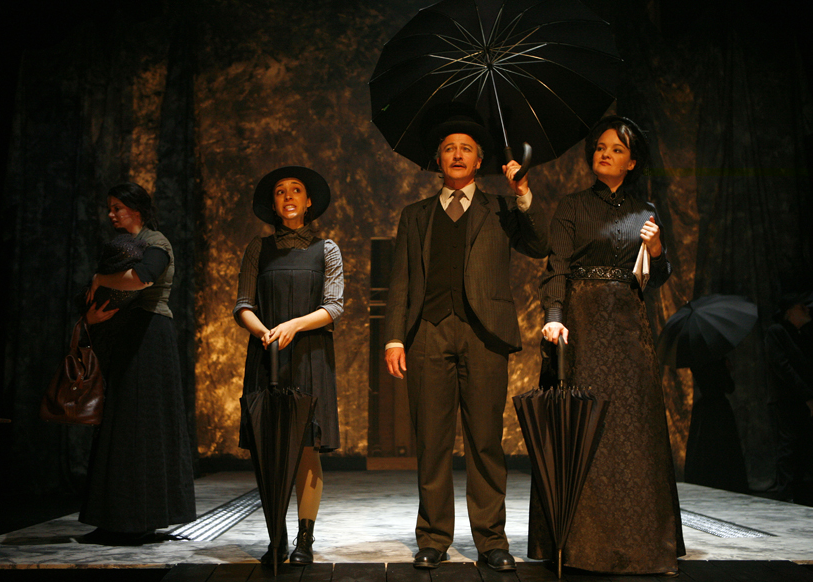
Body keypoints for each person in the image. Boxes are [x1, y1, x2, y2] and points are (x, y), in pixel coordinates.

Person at [383, 112, 549, 571]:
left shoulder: (502, 208)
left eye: (466, 149)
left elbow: (540, 244)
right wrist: (394, 338)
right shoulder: (415, 215)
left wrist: (523, 193)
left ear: (479, 160)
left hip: (485, 334)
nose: (457, 154)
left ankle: (491, 539)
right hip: (428, 332)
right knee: (432, 441)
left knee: (485, 441)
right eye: (449, 148)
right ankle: (433, 537)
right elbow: (400, 281)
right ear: (438, 159)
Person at [536, 116, 685, 575]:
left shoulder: (646, 211)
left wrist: (657, 249)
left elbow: (658, 277)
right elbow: (556, 267)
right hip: (581, 325)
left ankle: (644, 547)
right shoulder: (573, 206)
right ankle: (581, 546)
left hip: (627, 328)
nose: (604, 154)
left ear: (632, 162)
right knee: (582, 427)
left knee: (634, 431)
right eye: (600, 147)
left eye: (616, 149)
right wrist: (554, 317)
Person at [234, 166, 343, 566]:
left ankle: (305, 539)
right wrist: (264, 332)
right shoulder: (258, 249)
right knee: (269, 448)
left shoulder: (326, 248)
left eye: (296, 190)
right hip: (267, 354)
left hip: (310, 354)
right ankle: (275, 537)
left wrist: (294, 325)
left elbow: (334, 305)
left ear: (308, 201)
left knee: (307, 444)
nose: (288, 196)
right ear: (274, 203)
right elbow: (243, 305)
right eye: (280, 191)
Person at [79, 182, 196, 545]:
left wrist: (101, 278)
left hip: (149, 336)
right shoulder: (124, 245)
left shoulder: (156, 243)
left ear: (137, 209)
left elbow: (142, 279)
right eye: (110, 207)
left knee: (142, 425)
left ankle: (139, 518)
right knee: (119, 425)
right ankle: (115, 518)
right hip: (126, 335)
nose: (112, 214)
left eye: (118, 207)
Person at [764, 292, 813, 505]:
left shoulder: (800, 334)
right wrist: (807, 395)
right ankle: (786, 494)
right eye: (801, 307)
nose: (807, 310)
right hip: (787, 399)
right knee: (789, 444)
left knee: (801, 444)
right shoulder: (777, 332)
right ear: (789, 312)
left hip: (799, 398)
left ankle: (799, 492)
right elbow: (783, 367)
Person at [685, 358, 748, 493]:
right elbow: (729, 387)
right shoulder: (717, 360)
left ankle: (709, 481)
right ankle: (724, 481)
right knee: (723, 447)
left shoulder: (696, 361)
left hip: (704, 410)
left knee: (706, 447)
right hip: (719, 409)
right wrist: (726, 370)